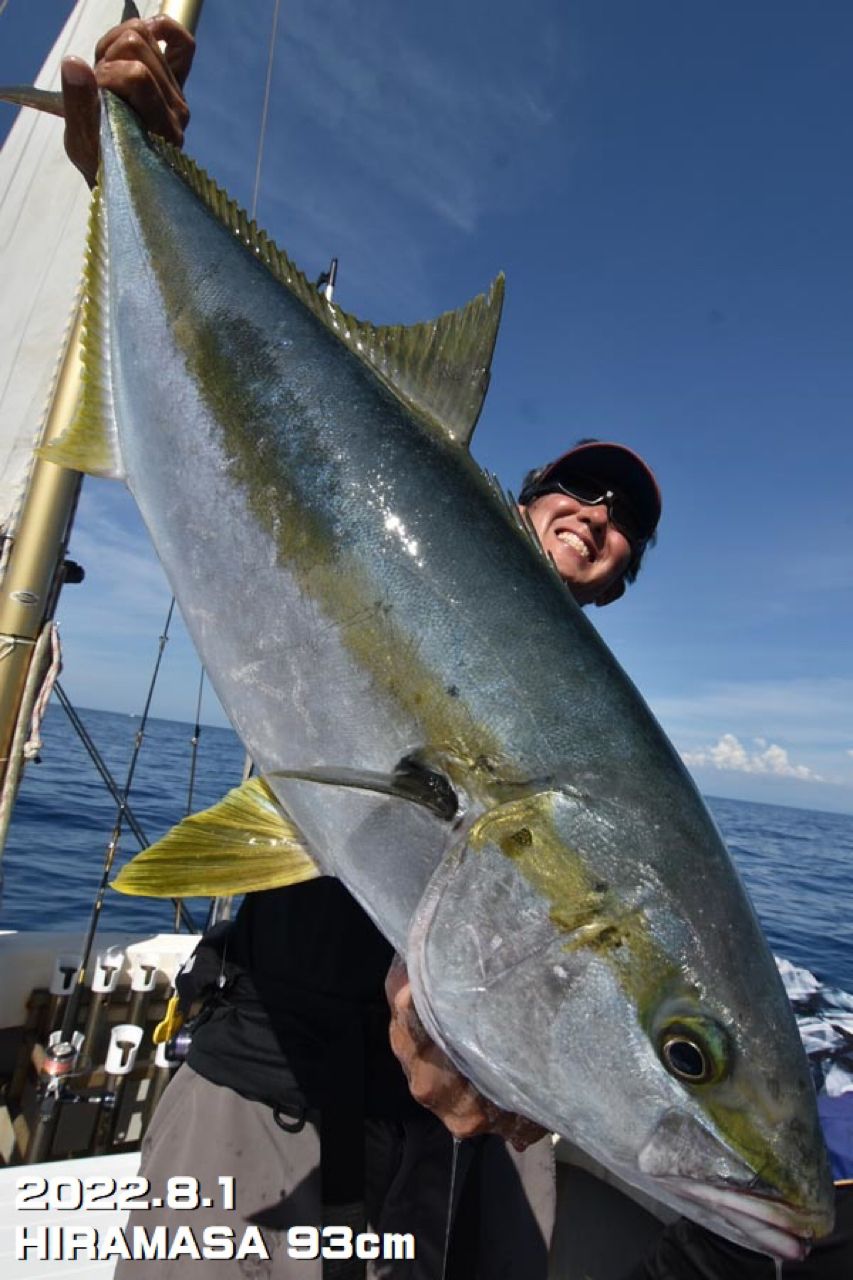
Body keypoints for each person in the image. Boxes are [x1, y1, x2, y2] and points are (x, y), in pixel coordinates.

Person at [58, 18, 851, 1280]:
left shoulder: (611, 763)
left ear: (622, 580)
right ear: (522, 498)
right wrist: (128, 167)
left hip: (441, 1147)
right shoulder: (397, 512)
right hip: (263, 1070)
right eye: (577, 496)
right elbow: (229, 369)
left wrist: (512, 1073)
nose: (596, 519)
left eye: (623, 530)